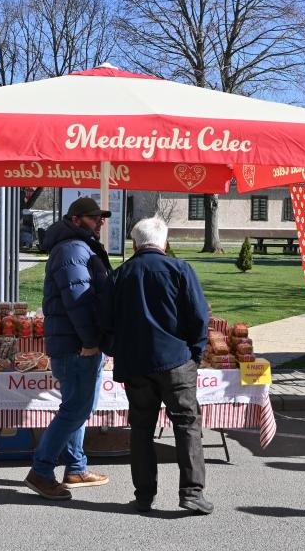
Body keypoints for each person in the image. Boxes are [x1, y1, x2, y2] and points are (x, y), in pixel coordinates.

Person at [105, 216, 212, 515]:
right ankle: (192, 493)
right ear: (164, 242)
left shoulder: (120, 275)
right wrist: (195, 354)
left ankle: (144, 495)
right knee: (187, 425)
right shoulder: (180, 269)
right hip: (176, 360)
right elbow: (199, 316)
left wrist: (118, 351)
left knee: (141, 429)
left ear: (134, 243)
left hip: (137, 363)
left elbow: (106, 323)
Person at [24, 197, 112, 500]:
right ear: (75, 220)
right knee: (75, 409)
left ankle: (75, 468)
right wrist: (89, 342)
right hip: (76, 346)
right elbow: (78, 301)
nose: (100, 222)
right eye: (93, 217)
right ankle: (41, 471)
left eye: (101, 217)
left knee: (78, 408)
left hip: (77, 344)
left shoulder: (79, 246)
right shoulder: (72, 249)